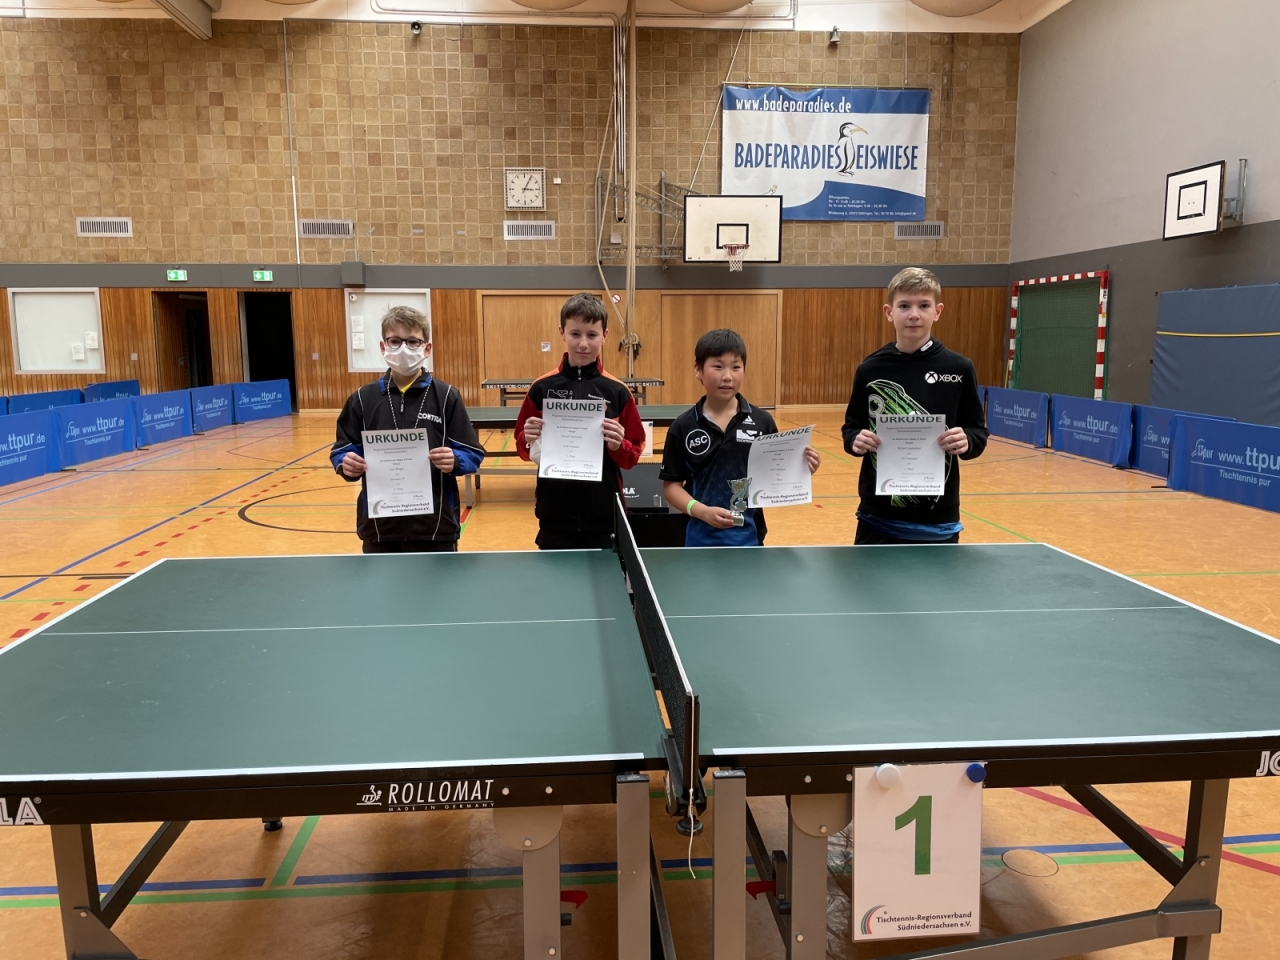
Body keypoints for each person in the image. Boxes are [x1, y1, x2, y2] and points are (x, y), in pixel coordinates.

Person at [841, 267, 988, 545]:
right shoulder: (870, 369)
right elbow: (851, 428)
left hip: (938, 518)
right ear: (889, 312)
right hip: (878, 517)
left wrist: (967, 440)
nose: (914, 314)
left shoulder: (959, 368)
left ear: (938, 311)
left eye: (924, 305)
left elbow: (978, 432)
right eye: (904, 306)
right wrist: (855, 440)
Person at [331, 305, 484, 552]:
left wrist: (455, 460)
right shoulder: (362, 399)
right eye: (394, 341)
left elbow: (472, 452)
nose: (403, 348)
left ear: (427, 348)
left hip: (435, 528)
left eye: (413, 341)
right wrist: (346, 462)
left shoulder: (446, 396)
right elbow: (343, 448)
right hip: (380, 528)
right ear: (383, 347)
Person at [662, 328, 820, 547]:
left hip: (750, 540)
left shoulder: (762, 422)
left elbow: (774, 477)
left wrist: (801, 469)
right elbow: (671, 487)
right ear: (698, 370)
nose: (727, 376)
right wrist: (701, 511)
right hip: (697, 541)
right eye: (718, 366)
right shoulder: (682, 426)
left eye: (736, 367)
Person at [514, 293, 647, 550]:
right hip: (554, 515)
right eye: (575, 334)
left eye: (592, 335)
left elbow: (632, 457)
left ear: (605, 336)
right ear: (562, 333)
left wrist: (618, 446)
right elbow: (522, 449)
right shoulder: (541, 389)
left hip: (604, 517)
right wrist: (527, 438)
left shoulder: (618, 392)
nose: (583, 344)